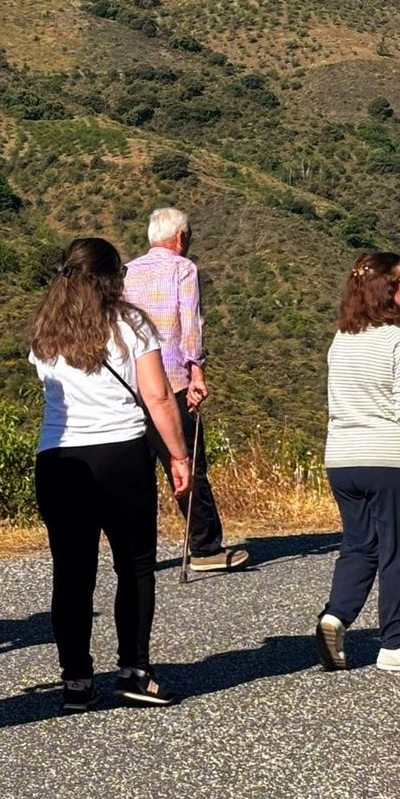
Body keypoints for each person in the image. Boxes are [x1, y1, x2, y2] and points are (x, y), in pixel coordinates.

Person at [29, 237, 192, 712]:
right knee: (135, 565)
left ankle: (76, 680)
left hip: (58, 458)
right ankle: (134, 671)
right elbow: (158, 397)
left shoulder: (44, 329)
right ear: (110, 278)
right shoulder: (131, 324)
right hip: (121, 452)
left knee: (72, 572)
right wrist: (179, 457)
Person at [315, 252, 400, 674]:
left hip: (342, 459)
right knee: (397, 550)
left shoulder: (341, 340)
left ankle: (336, 615)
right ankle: (395, 642)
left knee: (358, 544)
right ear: (388, 290)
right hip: (388, 459)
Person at [123, 208, 249, 573]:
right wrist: (197, 373)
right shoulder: (183, 269)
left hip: (131, 383)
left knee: (137, 472)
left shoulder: (128, 271)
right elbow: (189, 323)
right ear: (180, 238)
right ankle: (205, 547)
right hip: (172, 381)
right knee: (187, 463)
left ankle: (136, 552)